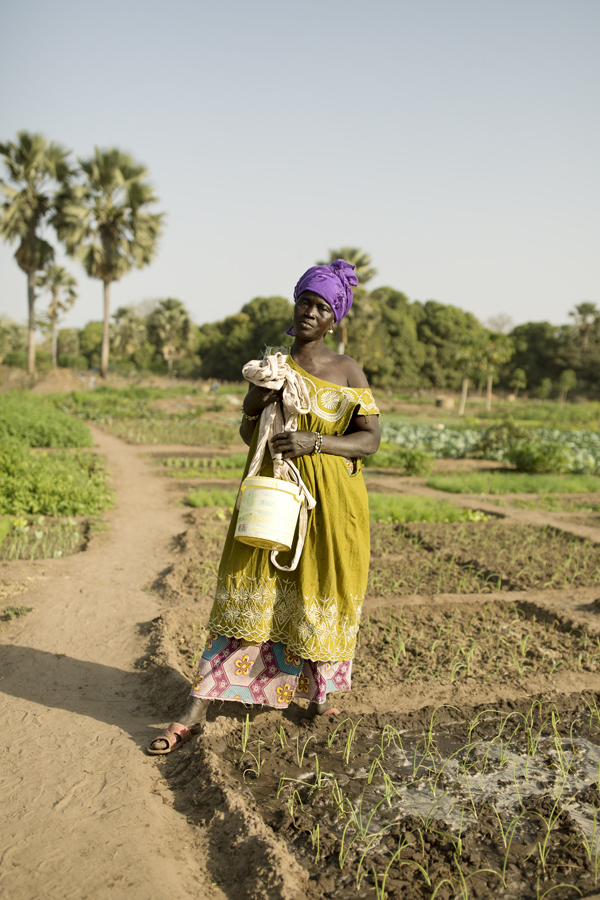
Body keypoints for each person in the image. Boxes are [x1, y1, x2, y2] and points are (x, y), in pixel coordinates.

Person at [148, 259, 380, 754]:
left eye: (322, 307)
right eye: (305, 302)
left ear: (334, 317)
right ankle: (196, 707)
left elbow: (369, 441)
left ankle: (317, 697)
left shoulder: (347, 370)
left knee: (317, 593)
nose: (311, 313)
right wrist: (258, 398)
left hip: (334, 506)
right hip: (274, 498)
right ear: (294, 306)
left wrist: (315, 442)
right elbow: (248, 431)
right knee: (251, 592)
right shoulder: (275, 366)